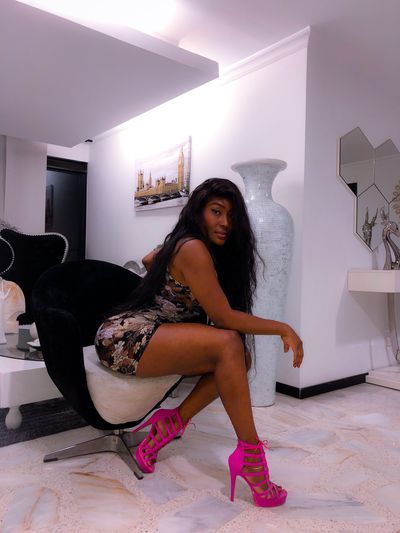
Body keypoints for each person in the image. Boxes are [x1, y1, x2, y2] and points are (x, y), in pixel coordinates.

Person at [95, 178, 303, 507]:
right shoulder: (192, 247)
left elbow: (148, 259)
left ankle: (170, 424)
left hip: (150, 331)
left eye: (231, 215)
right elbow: (223, 317)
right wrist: (282, 328)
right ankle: (251, 459)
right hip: (124, 337)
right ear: (199, 213)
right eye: (216, 211)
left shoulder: (188, 245)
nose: (225, 222)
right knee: (229, 343)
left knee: (240, 358)